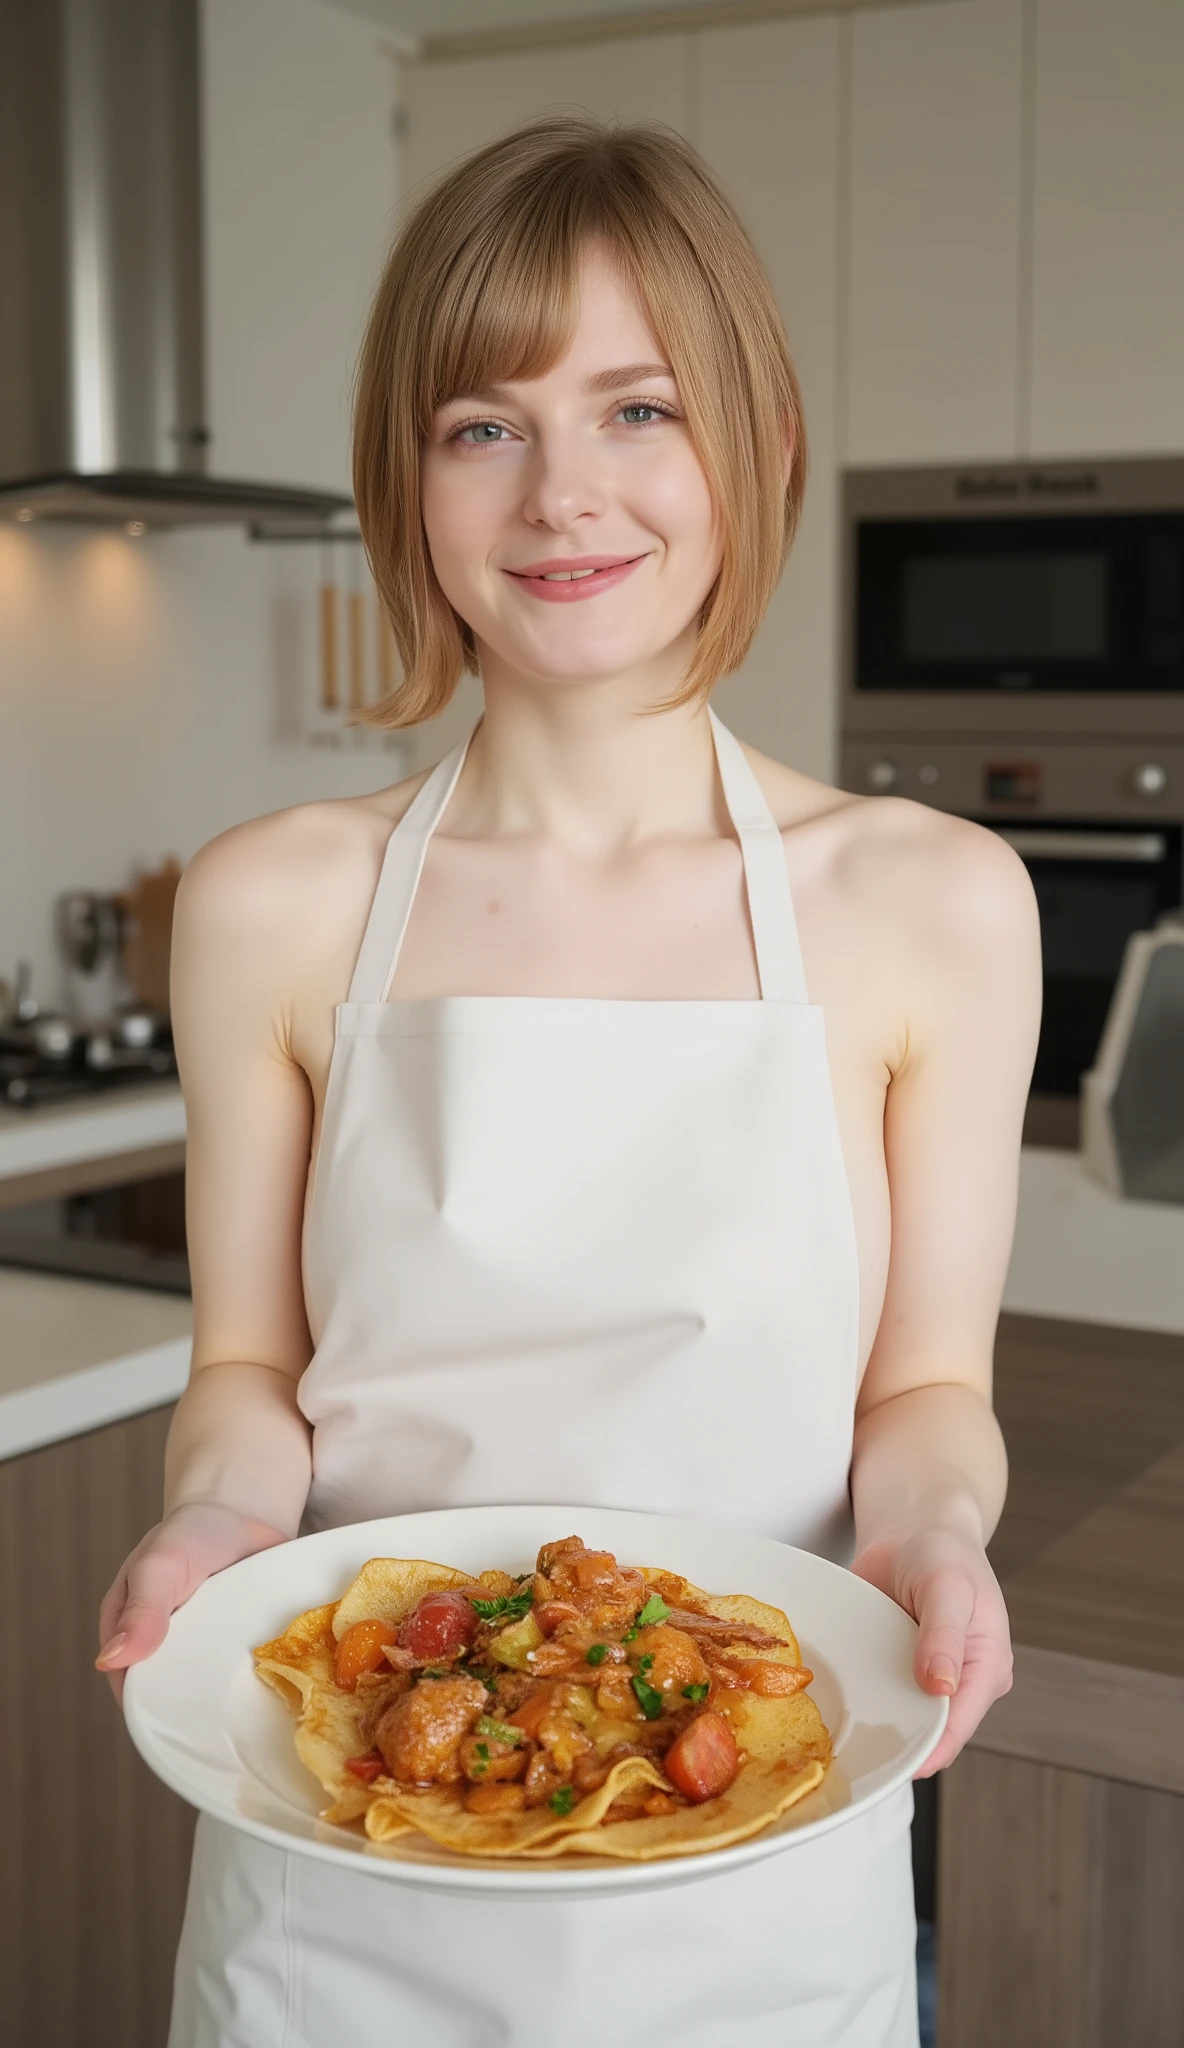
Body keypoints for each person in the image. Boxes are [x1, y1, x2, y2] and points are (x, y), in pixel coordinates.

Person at [96, 116, 1039, 2048]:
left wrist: (932, 1545)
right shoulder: (275, 900)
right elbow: (250, 1373)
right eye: (484, 425)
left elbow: (929, 1389)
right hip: (330, 1882)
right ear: (412, 480)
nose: (564, 495)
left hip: (758, 1888)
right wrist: (211, 1529)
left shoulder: (931, 900)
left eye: (639, 407)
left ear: (756, 448)